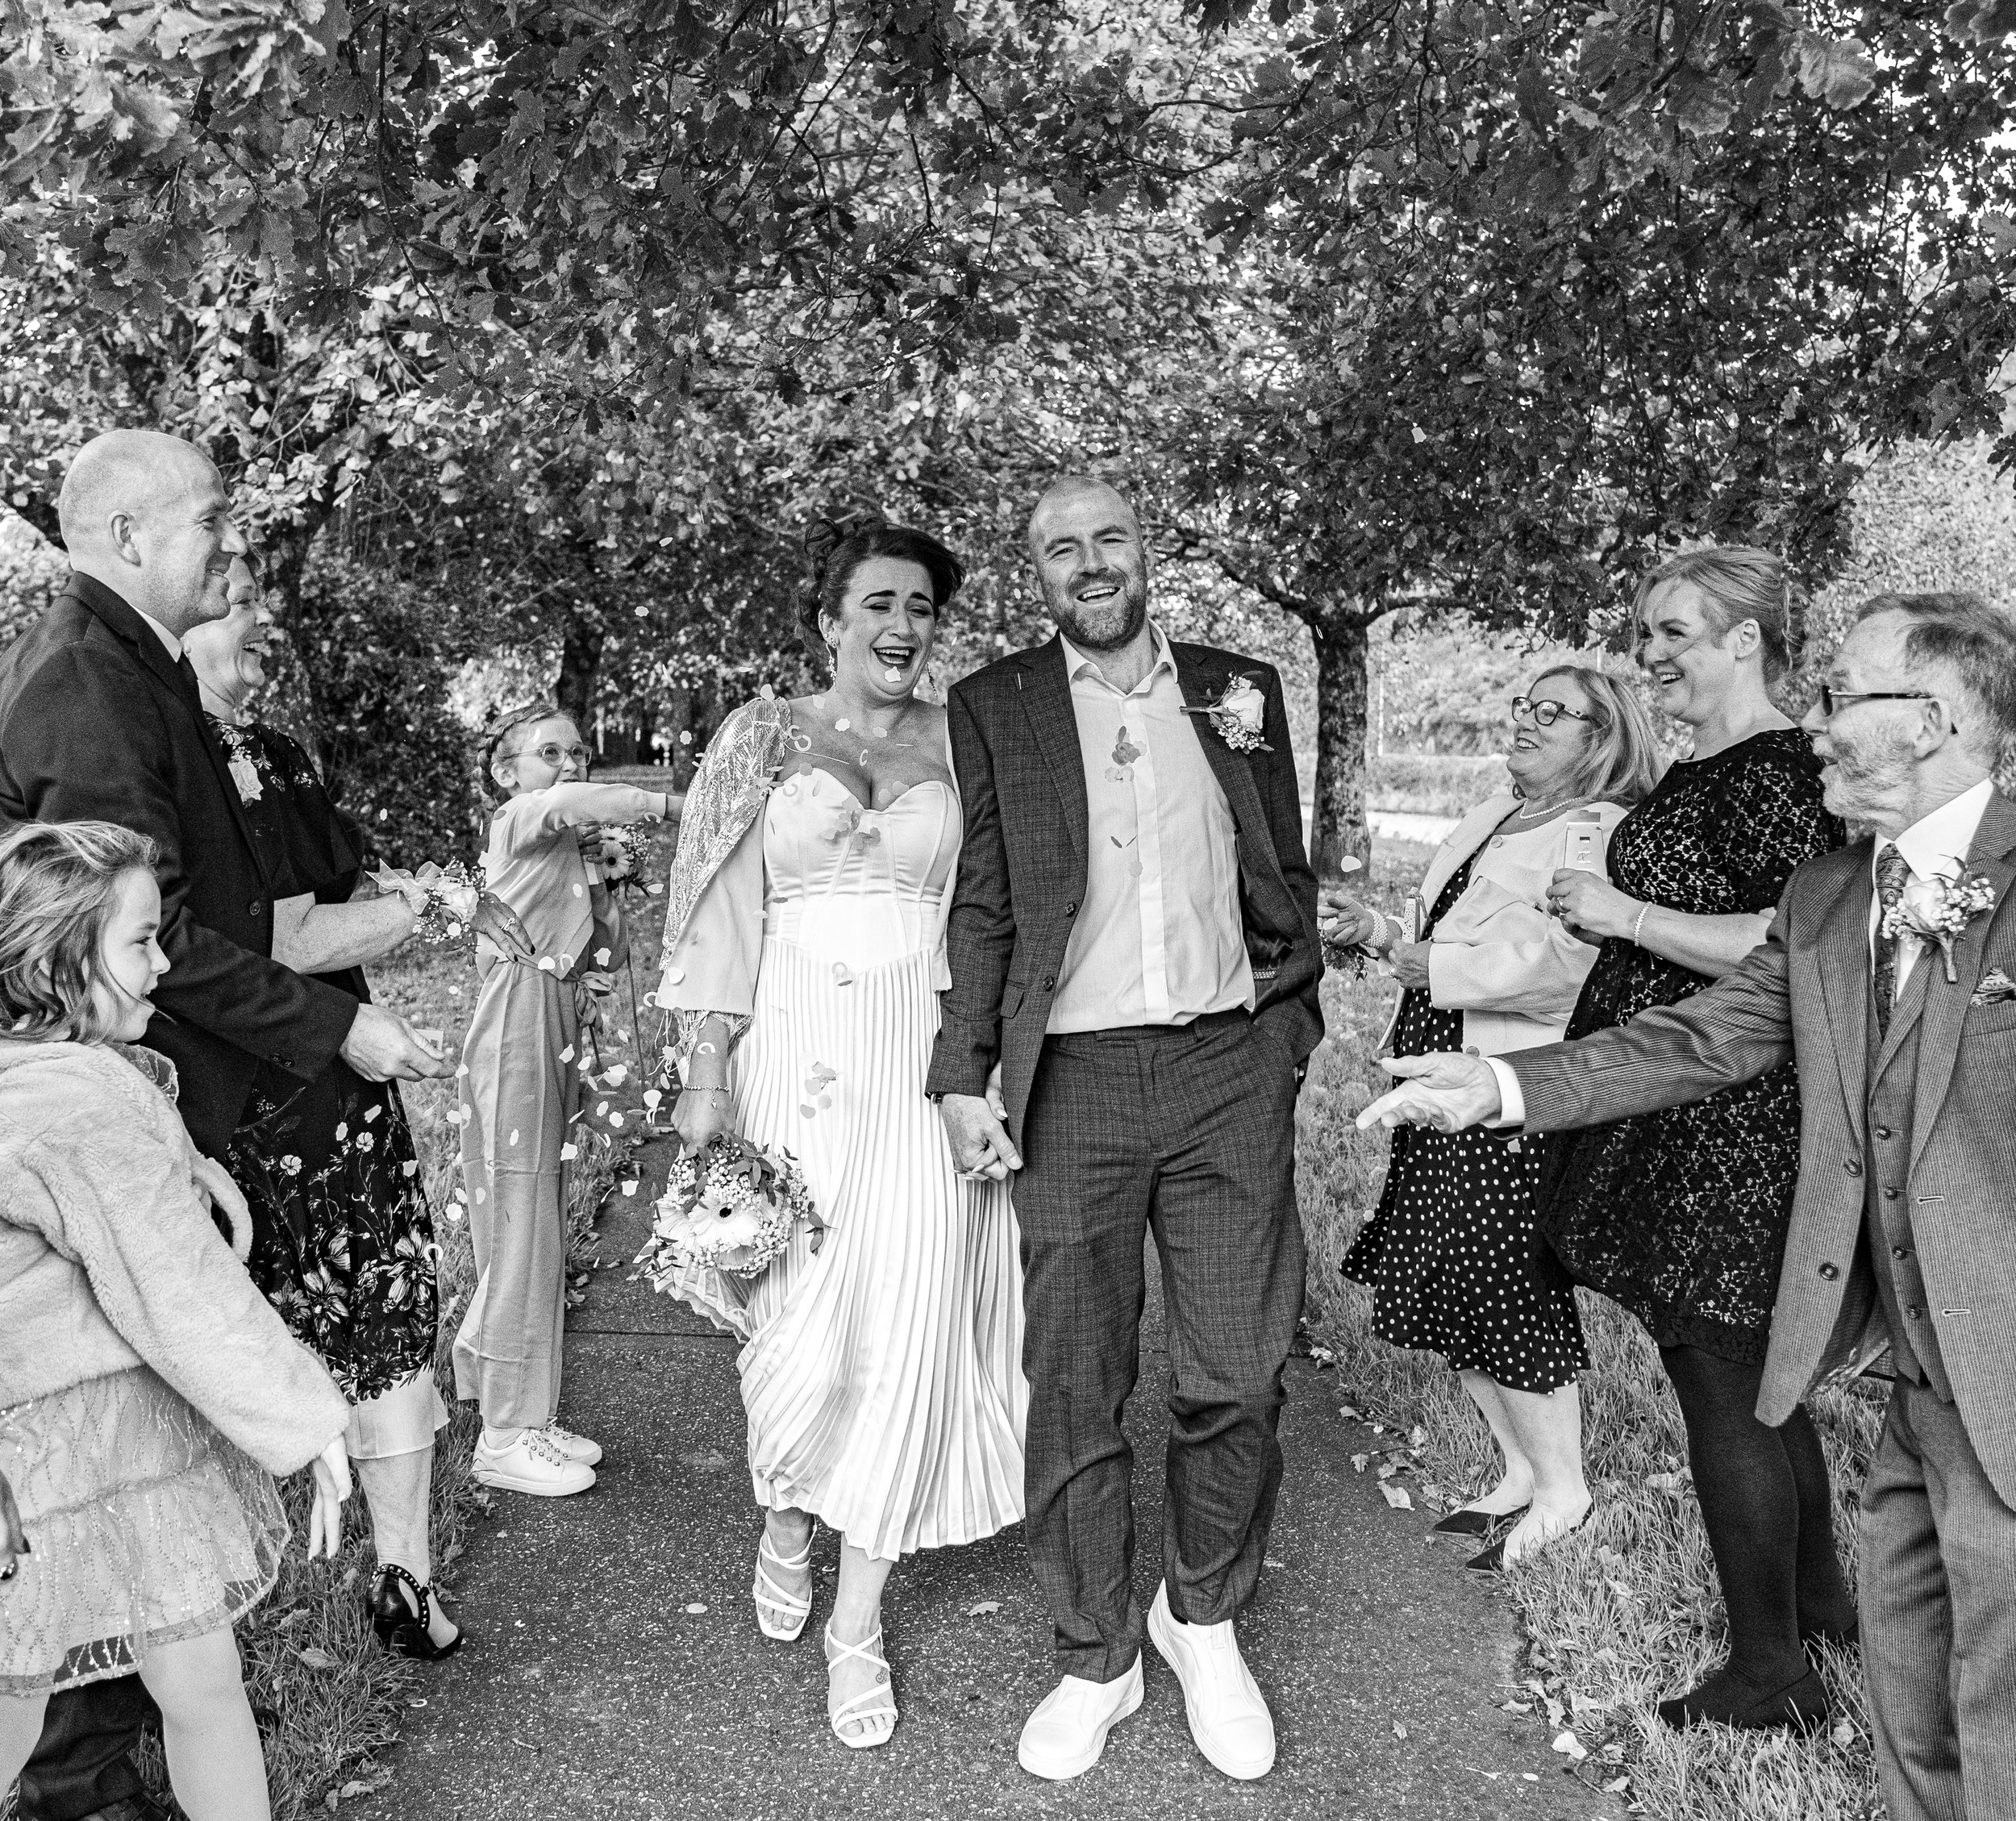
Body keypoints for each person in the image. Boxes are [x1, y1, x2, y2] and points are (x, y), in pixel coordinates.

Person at [1360, 593, 2016, 1811]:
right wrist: (1501, 1081)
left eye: (1842, 700)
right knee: (1913, 1684)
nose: (1816, 730)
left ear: (1927, 719)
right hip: (1910, 1366)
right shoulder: (1832, 893)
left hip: (2004, 1354)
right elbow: (1711, 1034)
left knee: (2000, 1694)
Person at [0, 431, 449, 1821]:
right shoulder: (87, 681)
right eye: (212, 525)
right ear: (129, 533)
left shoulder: (134, 664)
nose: (234, 551)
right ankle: (83, 1780)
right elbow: (143, 922)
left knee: (152, 1645)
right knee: (45, 1666)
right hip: (60, 1443)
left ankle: (115, 1760)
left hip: (114, 1316)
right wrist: (332, 1026)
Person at [927, 477, 1322, 1784]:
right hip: (1074, 1083)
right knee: (1080, 1377)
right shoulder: (998, 704)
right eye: (1061, 549)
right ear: (1033, 572)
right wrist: (960, 1072)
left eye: (1109, 539)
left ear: (1147, 550)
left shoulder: (1238, 685)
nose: (1090, 564)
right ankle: (1095, 1649)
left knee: (1239, 1371)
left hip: (1226, 1066)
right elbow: (983, 901)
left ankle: (1199, 1613)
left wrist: (1287, 1038)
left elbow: (1286, 871)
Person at [658, 518, 1026, 1751]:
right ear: (829, 619)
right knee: (795, 1325)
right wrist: (706, 1075)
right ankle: (782, 1512)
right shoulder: (760, 735)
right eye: (877, 602)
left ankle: (856, 1618)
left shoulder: (968, 742)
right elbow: (715, 912)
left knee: (913, 1320)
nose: (902, 626)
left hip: (925, 1066)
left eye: (921, 605)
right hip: (793, 1052)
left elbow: (999, 908)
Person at [0, 819, 354, 1821]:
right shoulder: (73, 1104)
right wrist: (308, 1416)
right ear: (59, 960)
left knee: (199, 1683)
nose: (163, 962)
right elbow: (177, 1284)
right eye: (140, 942)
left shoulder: (41, 1081)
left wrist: (183, 1165)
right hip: (59, 1451)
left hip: (94, 1441)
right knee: (16, 1703)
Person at [182, 560, 460, 1660]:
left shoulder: (278, 753)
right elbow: (289, 939)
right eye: (240, 601)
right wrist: (429, 904)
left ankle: (404, 1576)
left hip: (344, 1091)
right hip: (262, 1100)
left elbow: (337, 896)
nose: (265, 622)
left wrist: (394, 900)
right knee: (273, 1334)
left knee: (388, 1323)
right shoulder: (192, 765)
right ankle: (232, 1599)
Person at [1322, 665, 1660, 1569]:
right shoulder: (1494, 811)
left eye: (1554, 712)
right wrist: (1385, 933)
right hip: (1443, 1048)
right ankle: (1516, 1468)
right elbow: (1446, 923)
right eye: (1524, 704)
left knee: (1504, 1273)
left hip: (1513, 1074)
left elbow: (1566, 963)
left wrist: (1427, 961)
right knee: (1441, 1264)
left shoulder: (1603, 832)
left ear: (1601, 736)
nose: (1526, 721)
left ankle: (1564, 1488)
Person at [452, 707, 673, 1498]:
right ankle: (505, 1433)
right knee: (520, 1215)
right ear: (507, 770)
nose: (568, 765)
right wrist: (680, 804)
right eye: (550, 753)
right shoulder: (519, 816)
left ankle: (520, 1399)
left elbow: (606, 956)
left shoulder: (566, 845)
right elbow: (566, 804)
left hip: (552, 1010)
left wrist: (609, 885)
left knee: (535, 1214)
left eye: (576, 752)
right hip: (516, 1010)